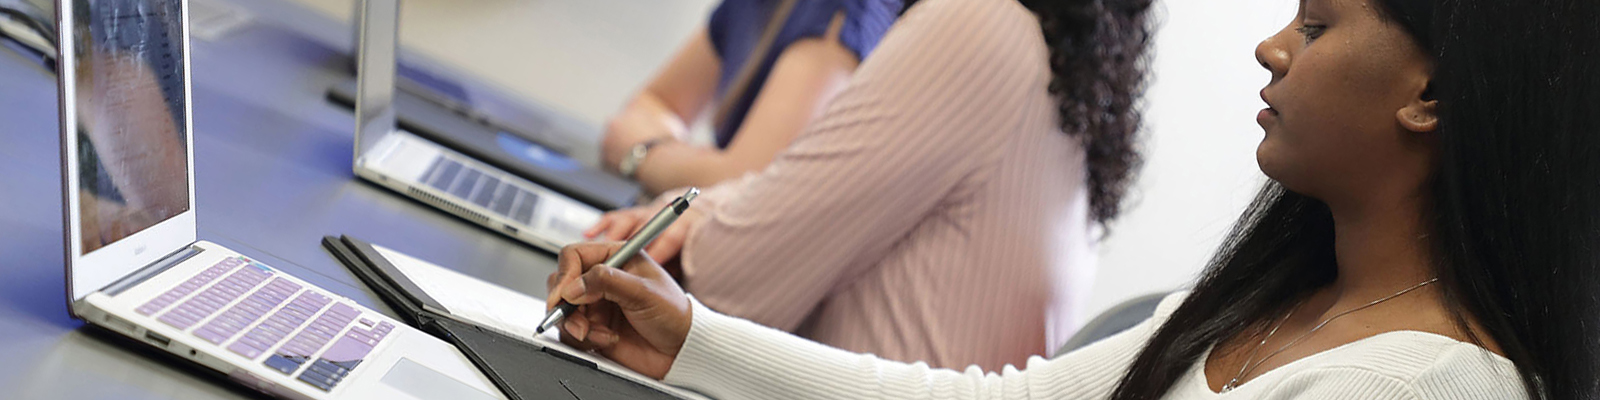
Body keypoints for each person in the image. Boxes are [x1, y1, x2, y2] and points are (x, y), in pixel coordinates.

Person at [549, 0, 1600, 398]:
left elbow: (745, 252)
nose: (1270, 46)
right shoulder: (1275, 301)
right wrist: (684, 336)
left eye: (1318, 28)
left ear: (1436, 92)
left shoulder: (1411, 387)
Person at [582, 0, 1150, 371]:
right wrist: (706, 212)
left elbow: (734, 280)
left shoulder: (979, 23)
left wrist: (687, 216)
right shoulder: (1058, 61)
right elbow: (775, 193)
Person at [599, 0, 900, 196]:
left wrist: (646, 154)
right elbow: (655, 103)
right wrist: (688, 164)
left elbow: (746, 187)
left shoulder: (847, 12)